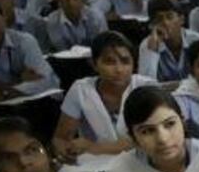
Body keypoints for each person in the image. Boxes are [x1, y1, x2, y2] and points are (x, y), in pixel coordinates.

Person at [52, 31, 155, 162]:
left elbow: (146, 139)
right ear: (94, 64)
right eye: (109, 62)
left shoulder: (146, 87)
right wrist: (65, 153)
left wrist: (94, 147)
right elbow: (60, 138)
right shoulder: (81, 89)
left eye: (125, 61)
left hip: (141, 161)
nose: (119, 69)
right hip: (94, 167)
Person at [138, 0, 199, 82]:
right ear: (153, 24)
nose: (165, 22)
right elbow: (144, 86)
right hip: (161, 95)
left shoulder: (198, 42)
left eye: (169, 17)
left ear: (181, 19)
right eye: (159, 19)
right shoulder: (148, 44)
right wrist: (152, 52)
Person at [42, 0, 107, 53]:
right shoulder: (52, 20)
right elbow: (60, 48)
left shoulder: (96, 17)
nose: (71, 3)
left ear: (82, 0)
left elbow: (102, 45)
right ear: (58, 1)